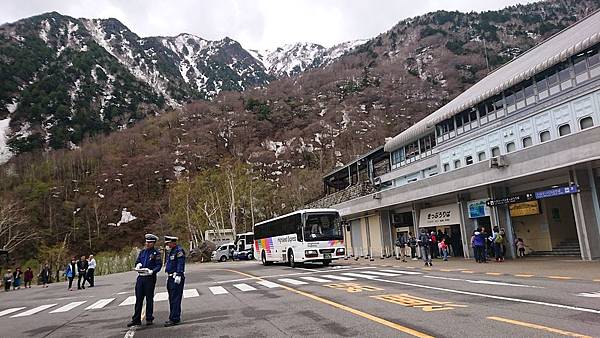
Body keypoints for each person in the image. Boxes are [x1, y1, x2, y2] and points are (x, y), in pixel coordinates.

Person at [128, 234, 162, 327]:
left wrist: (152, 271)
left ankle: (149, 318)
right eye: (147, 242)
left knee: (149, 299)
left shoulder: (156, 253)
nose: (147, 244)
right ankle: (136, 319)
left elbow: (159, 265)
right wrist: (138, 265)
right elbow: (137, 261)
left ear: (153, 243)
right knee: (138, 299)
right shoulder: (143, 252)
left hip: (149, 278)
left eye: (150, 242)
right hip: (141, 277)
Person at [164, 235, 186, 327]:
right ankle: (172, 317)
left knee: (175, 298)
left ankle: (175, 318)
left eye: (168, 243)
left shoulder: (179, 251)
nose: (167, 245)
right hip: (170, 277)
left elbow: (180, 264)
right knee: (171, 298)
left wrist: (179, 274)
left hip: (176, 277)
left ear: (173, 242)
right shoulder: (171, 251)